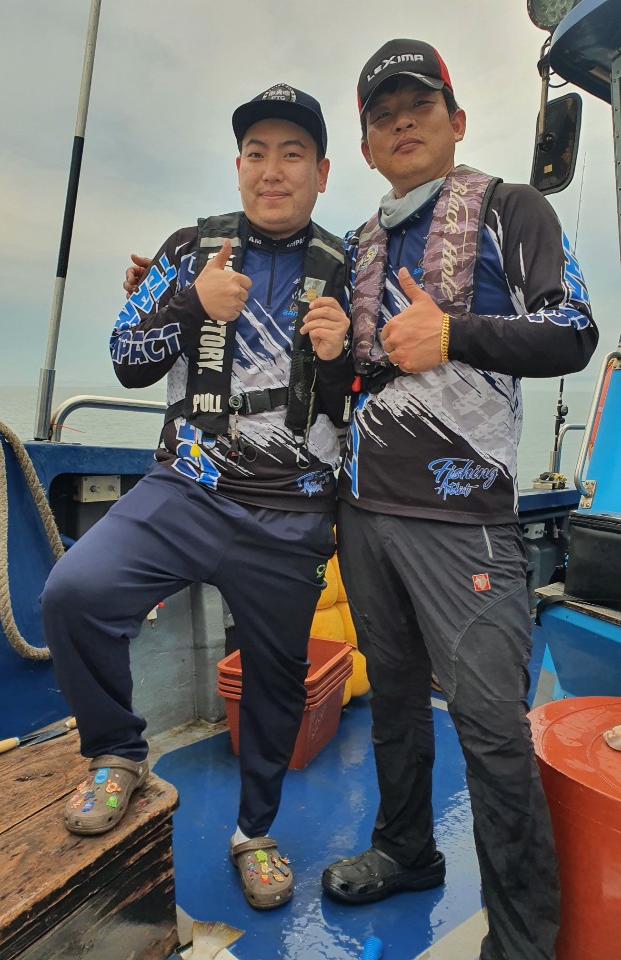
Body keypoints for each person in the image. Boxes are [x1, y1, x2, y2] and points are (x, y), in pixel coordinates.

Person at [40, 82, 351, 911]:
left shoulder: (353, 267)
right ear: (238, 165)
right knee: (74, 594)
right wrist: (188, 302)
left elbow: (370, 392)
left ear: (321, 172)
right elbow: (126, 359)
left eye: (292, 154)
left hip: (291, 510)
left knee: (278, 680)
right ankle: (118, 752)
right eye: (257, 153)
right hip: (186, 487)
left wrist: (342, 355)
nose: (272, 170)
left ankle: (255, 832)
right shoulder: (189, 249)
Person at [319, 39, 598, 960]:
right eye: (383, 115)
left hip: (464, 520)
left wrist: (455, 335)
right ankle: (407, 850)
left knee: (489, 730)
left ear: (457, 120)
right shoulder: (356, 245)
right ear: (366, 146)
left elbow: (573, 330)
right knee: (394, 699)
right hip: (365, 513)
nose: (402, 123)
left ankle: (521, 942)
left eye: (420, 106)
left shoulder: (513, 208)